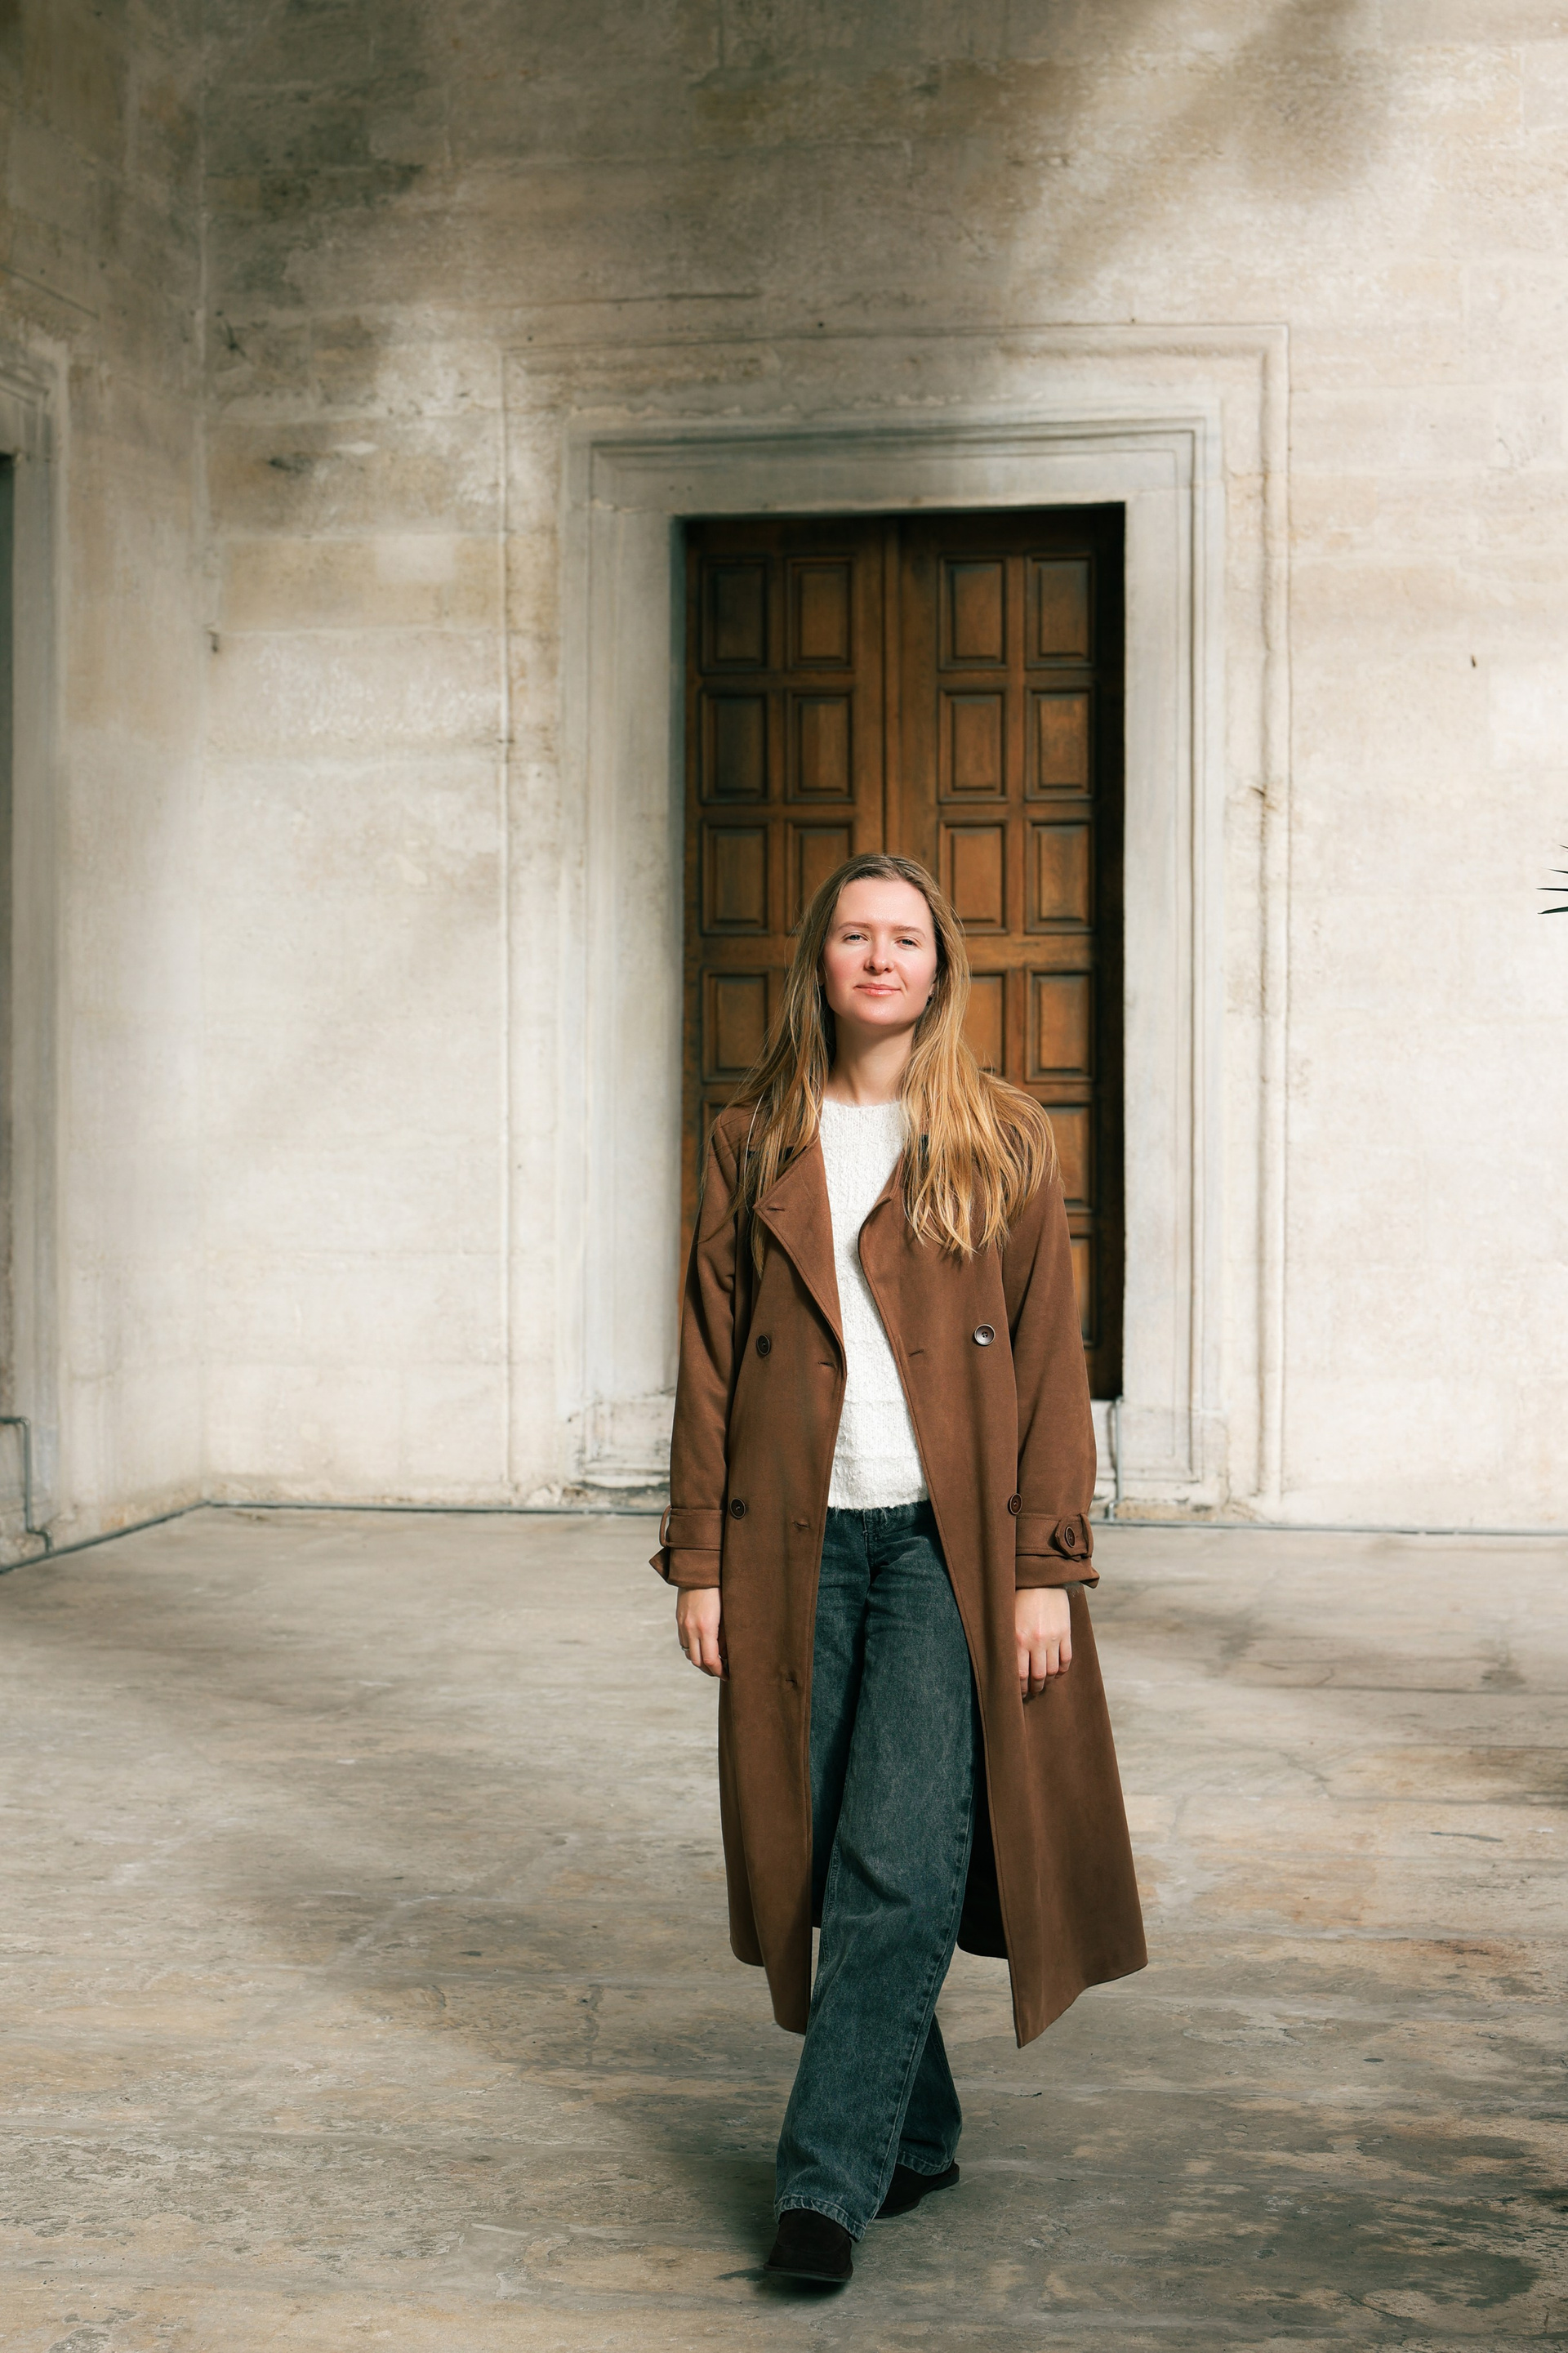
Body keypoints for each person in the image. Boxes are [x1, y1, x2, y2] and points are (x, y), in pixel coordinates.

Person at [652, 853, 1146, 2286]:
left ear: (940, 968)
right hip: (791, 1541)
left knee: (899, 1861)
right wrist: (700, 1559)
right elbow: (706, 1358)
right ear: (821, 960)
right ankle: (914, 2128)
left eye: (906, 939)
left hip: (946, 1546)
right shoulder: (753, 1138)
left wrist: (1044, 1566)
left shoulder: (998, 1137)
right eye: (856, 936)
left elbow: (1048, 1361)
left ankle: (822, 2184)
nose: (880, 958)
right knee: (811, 1849)